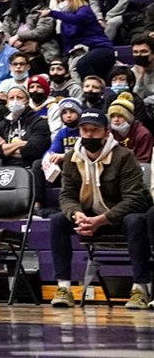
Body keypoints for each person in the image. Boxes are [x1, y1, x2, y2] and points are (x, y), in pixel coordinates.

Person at [48, 110, 154, 308]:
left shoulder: (124, 156)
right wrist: (77, 214)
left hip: (118, 217)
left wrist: (102, 220)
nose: (89, 134)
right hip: (89, 216)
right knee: (58, 221)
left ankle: (140, 289)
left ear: (106, 132)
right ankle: (63, 288)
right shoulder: (71, 158)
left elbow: (135, 199)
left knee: (136, 221)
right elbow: (67, 196)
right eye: (84, 130)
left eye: (94, 130)